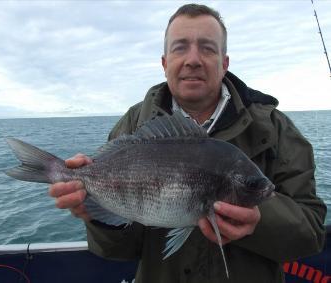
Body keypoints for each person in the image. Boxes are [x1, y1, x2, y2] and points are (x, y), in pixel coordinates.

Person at [49, 4, 326, 282]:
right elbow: (120, 250)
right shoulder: (133, 124)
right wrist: (96, 214)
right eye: (180, 47)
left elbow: (311, 235)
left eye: (207, 48)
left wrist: (259, 221)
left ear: (225, 62)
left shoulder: (275, 128)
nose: (193, 59)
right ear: (164, 62)